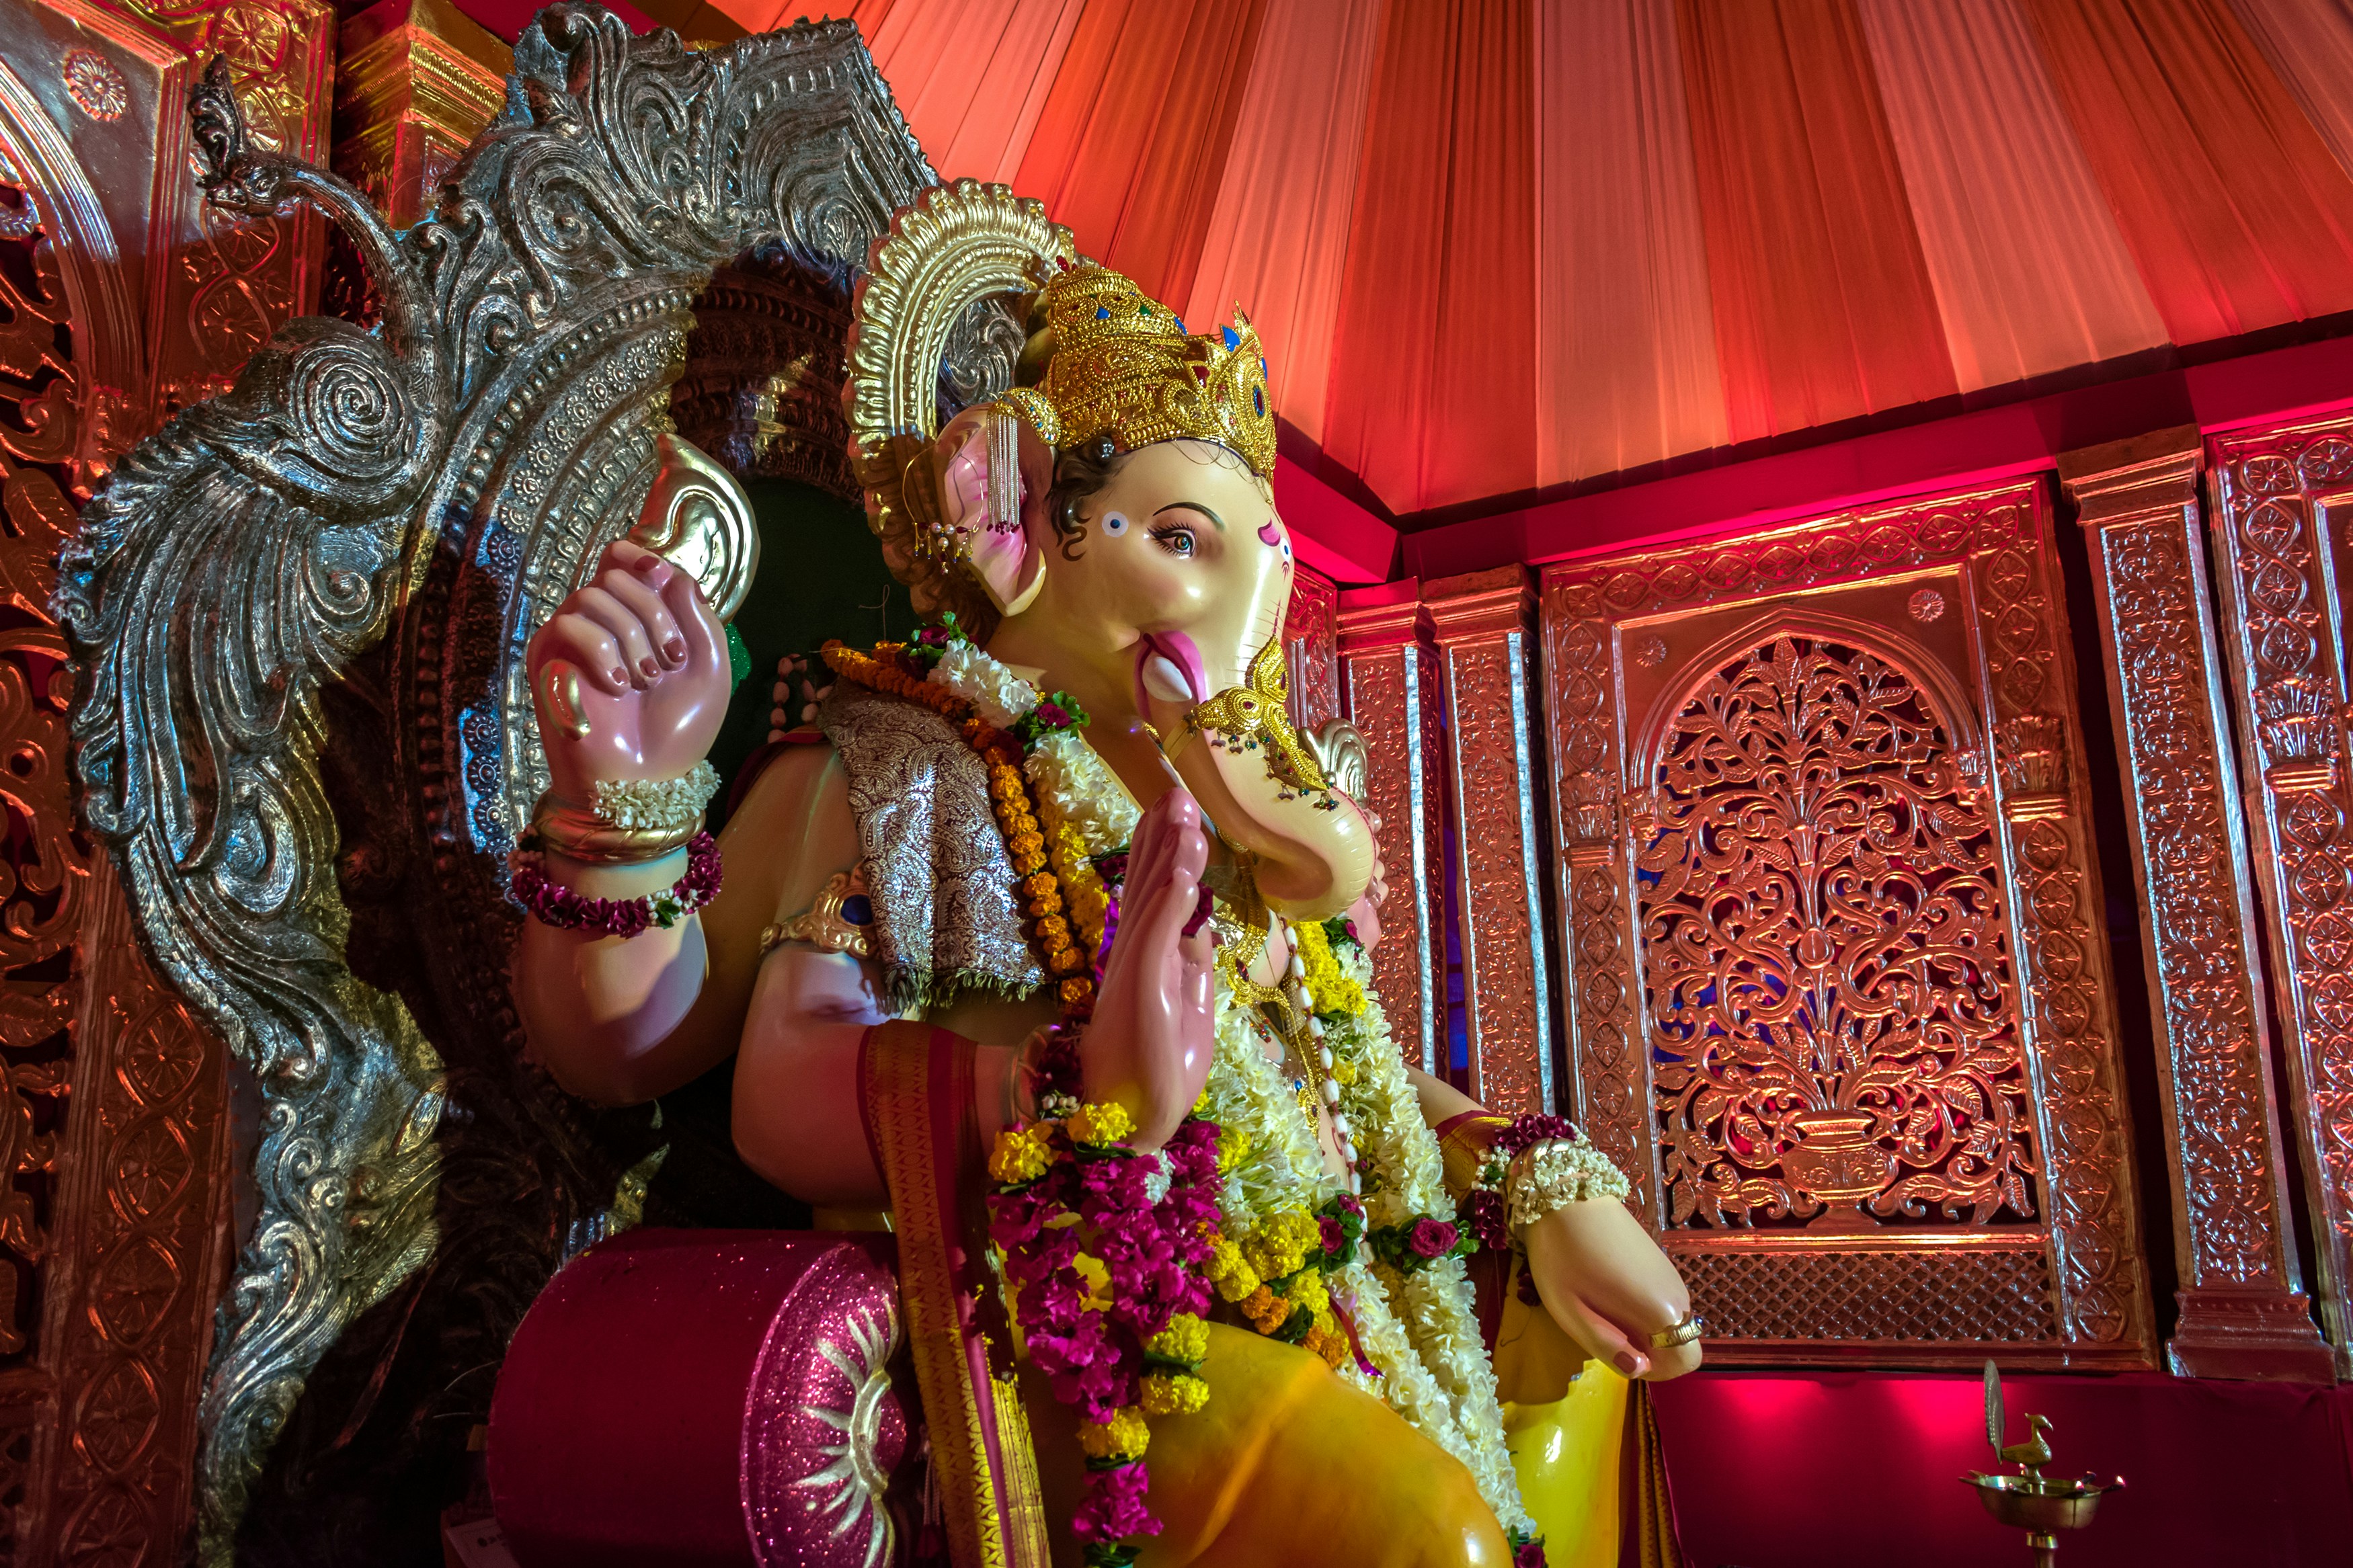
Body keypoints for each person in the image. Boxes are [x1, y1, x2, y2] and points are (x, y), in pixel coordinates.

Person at [506, 184, 1697, 1567]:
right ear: (1015, 522)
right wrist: (1076, 1088)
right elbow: (770, 1092)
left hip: (1308, 1279)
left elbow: (1324, 1080)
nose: (1235, 616)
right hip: (1062, 1310)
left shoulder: (1220, 810)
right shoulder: (913, 761)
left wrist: (1540, 1176)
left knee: (1586, 1373)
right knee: (1429, 1543)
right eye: (1177, 539)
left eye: (1262, 560)